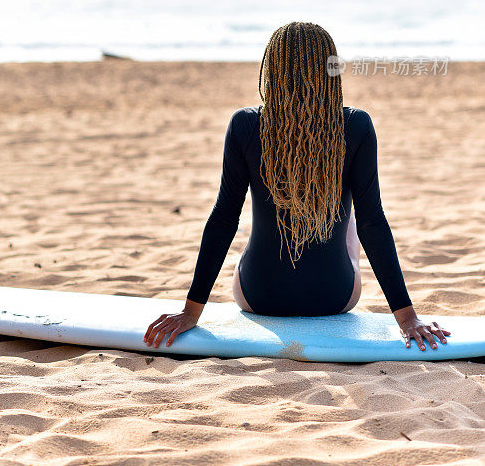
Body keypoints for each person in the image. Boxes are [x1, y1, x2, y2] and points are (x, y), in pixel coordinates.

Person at [144, 21, 450, 352]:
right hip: (333, 296)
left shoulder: (244, 124)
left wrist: (191, 312)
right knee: (350, 223)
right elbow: (372, 223)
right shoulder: (356, 125)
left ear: (271, 68)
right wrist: (407, 319)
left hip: (258, 296)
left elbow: (223, 218)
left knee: (260, 219)